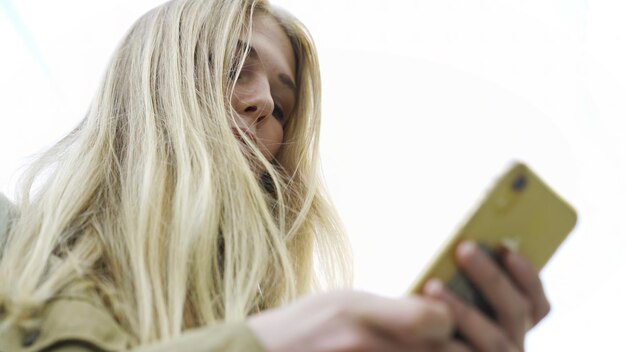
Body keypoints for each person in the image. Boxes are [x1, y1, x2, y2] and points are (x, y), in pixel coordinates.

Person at [0, 0, 550, 351]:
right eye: (235, 68)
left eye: (283, 107)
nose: (263, 101)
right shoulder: (12, 244)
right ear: (151, 85)